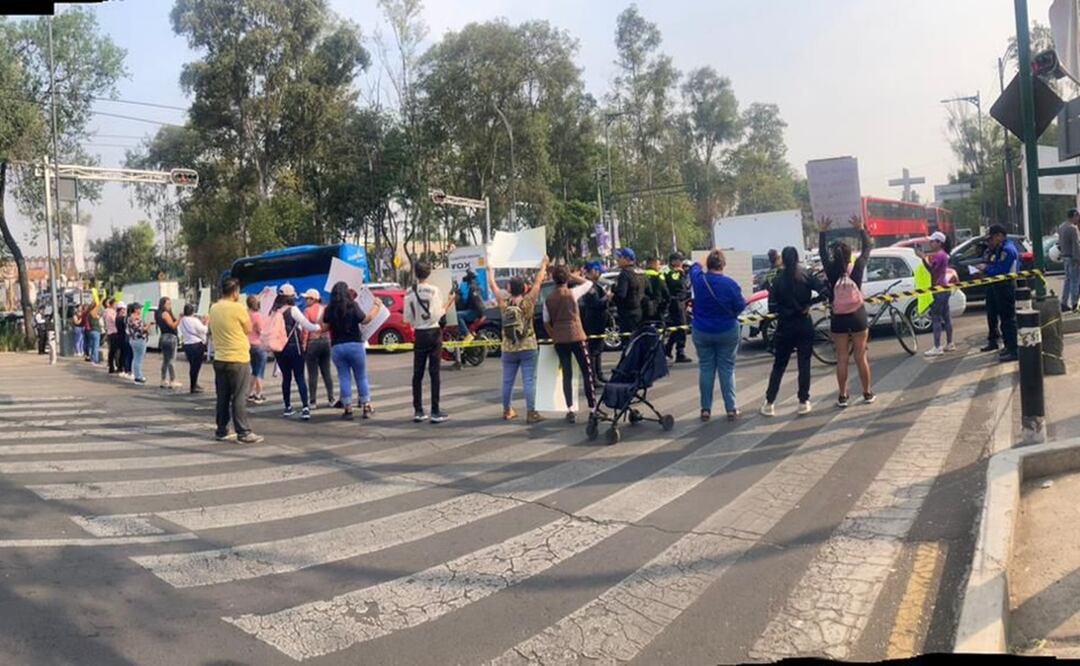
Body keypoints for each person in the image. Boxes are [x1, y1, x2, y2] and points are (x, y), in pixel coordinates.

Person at [761, 247, 828, 417]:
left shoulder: (777, 279)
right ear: (798, 258)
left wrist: (785, 310)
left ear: (782, 259)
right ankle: (803, 401)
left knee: (779, 366)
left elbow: (772, 307)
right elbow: (825, 292)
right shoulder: (806, 274)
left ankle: (769, 403)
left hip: (785, 326)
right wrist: (809, 304)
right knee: (804, 364)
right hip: (804, 323)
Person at [819, 216, 875, 407]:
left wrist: (822, 232)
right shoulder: (858, 267)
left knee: (842, 357)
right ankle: (867, 393)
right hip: (858, 316)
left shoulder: (831, 270)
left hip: (839, 319)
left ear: (834, 256)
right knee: (861, 355)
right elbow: (867, 248)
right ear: (850, 255)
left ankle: (843, 396)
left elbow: (822, 254)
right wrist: (860, 229)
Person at [488, 256, 549, 422]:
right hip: (528, 345)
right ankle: (531, 413)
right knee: (529, 380)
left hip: (508, 347)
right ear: (524, 287)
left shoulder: (504, 302)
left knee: (507, 381)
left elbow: (493, 286)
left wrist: (490, 272)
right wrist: (543, 265)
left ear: (508, 288)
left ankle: (507, 410)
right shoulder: (528, 301)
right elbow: (538, 282)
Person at [689, 249, 746, 421]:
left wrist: (701, 262)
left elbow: (694, 268)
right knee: (726, 369)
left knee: (706, 368)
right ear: (723, 265)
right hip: (726, 330)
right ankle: (731, 408)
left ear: (709, 264)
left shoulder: (699, 280)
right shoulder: (730, 284)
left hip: (702, 330)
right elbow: (740, 306)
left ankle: (705, 409)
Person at [208, 278, 262, 443]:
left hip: (220, 358)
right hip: (238, 358)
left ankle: (222, 430)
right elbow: (248, 329)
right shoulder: (238, 308)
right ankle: (243, 432)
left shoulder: (214, 308)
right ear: (235, 292)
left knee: (222, 396)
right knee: (239, 396)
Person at [544, 264, 599, 423]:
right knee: (587, 372)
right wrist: (572, 276)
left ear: (553, 280)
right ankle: (592, 407)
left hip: (560, 340)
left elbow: (546, 321)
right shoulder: (572, 293)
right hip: (576, 336)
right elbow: (588, 284)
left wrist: (554, 335)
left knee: (567, 374)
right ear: (566, 279)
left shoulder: (549, 299)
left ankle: (570, 409)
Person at [321, 281, 383, 421]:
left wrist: (324, 310)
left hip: (337, 347)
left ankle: (348, 408)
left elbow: (323, 328)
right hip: (355, 345)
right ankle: (366, 405)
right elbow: (366, 320)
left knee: (344, 377)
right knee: (361, 376)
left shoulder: (329, 309)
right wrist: (376, 306)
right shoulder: (352, 306)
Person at [405, 261, 455, 423]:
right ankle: (435, 410)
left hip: (419, 333)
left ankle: (418, 410)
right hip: (433, 332)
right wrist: (449, 301)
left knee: (417, 374)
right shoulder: (434, 291)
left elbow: (408, 319)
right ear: (429, 274)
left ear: (416, 273)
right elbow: (438, 314)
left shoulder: (409, 292)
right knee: (434, 373)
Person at [267, 284, 322, 420]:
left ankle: (288, 407)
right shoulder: (293, 310)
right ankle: (305, 408)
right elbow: (307, 325)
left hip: (280, 349)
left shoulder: (273, 311)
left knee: (286, 378)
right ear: (290, 297)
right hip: (294, 348)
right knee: (299, 377)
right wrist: (320, 326)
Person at [979, 224, 1020, 362]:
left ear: (999, 235)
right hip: (999, 285)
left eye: (993, 237)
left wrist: (986, 269)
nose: (991, 241)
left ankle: (1014, 350)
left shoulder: (1007, 250)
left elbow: (1001, 269)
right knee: (1003, 318)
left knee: (1008, 319)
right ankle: (1008, 347)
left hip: (1006, 286)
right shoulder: (1000, 249)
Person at [920, 232, 957, 357]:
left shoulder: (939, 255)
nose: (930, 244)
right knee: (946, 317)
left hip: (938, 289)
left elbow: (931, 270)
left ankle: (937, 347)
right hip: (944, 288)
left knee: (936, 318)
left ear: (939, 243)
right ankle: (950, 343)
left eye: (932, 241)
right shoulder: (944, 255)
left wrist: (922, 258)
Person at [302, 288, 335, 409]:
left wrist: (304, 345)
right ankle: (331, 398)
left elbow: (305, 330)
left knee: (312, 374)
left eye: (307, 298)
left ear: (313, 299)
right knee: (327, 372)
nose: (305, 300)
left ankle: (313, 401)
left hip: (313, 343)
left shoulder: (307, 311)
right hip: (326, 342)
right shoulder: (325, 309)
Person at [580, 260, 610, 385]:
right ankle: (593, 377)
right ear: (592, 271)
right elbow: (594, 304)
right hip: (592, 321)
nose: (599, 274)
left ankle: (599, 373)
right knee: (592, 351)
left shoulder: (596, 284)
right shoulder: (589, 286)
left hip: (599, 321)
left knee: (599, 349)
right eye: (598, 271)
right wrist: (606, 298)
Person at [663, 252, 692, 363]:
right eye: (679, 261)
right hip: (675, 302)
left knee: (677, 327)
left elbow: (684, 286)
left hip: (682, 301)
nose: (681, 263)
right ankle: (680, 352)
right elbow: (675, 285)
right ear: (674, 261)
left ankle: (668, 348)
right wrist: (680, 273)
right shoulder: (669, 271)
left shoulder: (680, 272)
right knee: (682, 327)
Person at [178, 303, 209, 394]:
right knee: (196, 366)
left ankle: (194, 383)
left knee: (192, 366)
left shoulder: (182, 320)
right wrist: (206, 322)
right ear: (192, 311)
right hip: (196, 344)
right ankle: (193, 385)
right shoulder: (194, 320)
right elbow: (204, 330)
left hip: (187, 344)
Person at [612, 247, 643, 335]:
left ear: (627, 259)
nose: (617, 260)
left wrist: (612, 296)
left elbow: (621, 295)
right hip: (639, 310)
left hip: (627, 314)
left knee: (628, 342)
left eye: (620, 257)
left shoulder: (625, 274)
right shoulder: (639, 272)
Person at [245, 295, 267, 404]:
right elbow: (260, 330)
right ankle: (258, 394)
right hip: (258, 344)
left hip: (248, 344)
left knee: (254, 370)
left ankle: (249, 393)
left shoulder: (245, 314)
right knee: (260, 371)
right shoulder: (257, 315)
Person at [155, 297, 180, 389]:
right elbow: (172, 325)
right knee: (171, 359)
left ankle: (163, 379)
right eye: (168, 304)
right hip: (170, 337)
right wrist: (179, 319)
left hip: (163, 337)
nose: (170, 306)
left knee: (165, 360)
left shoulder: (158, 313)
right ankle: (172, 380)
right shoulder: (165, 314)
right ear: (163, 305)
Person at [1058, 208, 1080, 312]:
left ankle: (1064, 302)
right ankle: (1075, 303)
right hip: (1072, 257)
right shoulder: (1073, 228)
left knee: (1067, 280)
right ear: (1074, 216)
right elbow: (1076, 246)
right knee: (1075, 281)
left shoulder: (1061, 227)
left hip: (1065, 257)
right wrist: (1078, 259)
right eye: (1077, 216)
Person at [126, 304, 151, 385]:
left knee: (136, 358)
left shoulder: (130, 317)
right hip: (139, 340)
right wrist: (149, 325)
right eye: (139, 308)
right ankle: (138, 377)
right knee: (138, 359)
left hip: (134, 339)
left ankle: (137, 375)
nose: (140, 310)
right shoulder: (133, 318)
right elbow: (141, 329)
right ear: (135, 309)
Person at [116, 302, 133, 378]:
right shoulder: (122, 318)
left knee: (122, 354)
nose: (124, 311)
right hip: (124, 337)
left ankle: (121, 369)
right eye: (123, 309)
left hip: (120, 337)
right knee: (126, 354)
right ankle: (125, 369)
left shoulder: (118, 317)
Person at [84, 300, 102, 365]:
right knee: (96, 346)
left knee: (92, 346)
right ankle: (95, 360)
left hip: (90, 330)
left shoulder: (89, 313)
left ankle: (92, 358)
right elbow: (99, 316)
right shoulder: (94, 313)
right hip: (96, 330)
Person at [104, 298, 120, 371]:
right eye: (115, 304)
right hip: (113, 332)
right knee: (115, 351)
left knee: (112, 351)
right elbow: (115, 321)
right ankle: (115, 366)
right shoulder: (111, 312)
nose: (116, 305)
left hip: (110, 332)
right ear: (112, 304)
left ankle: (111, 366)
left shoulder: (106, 312)